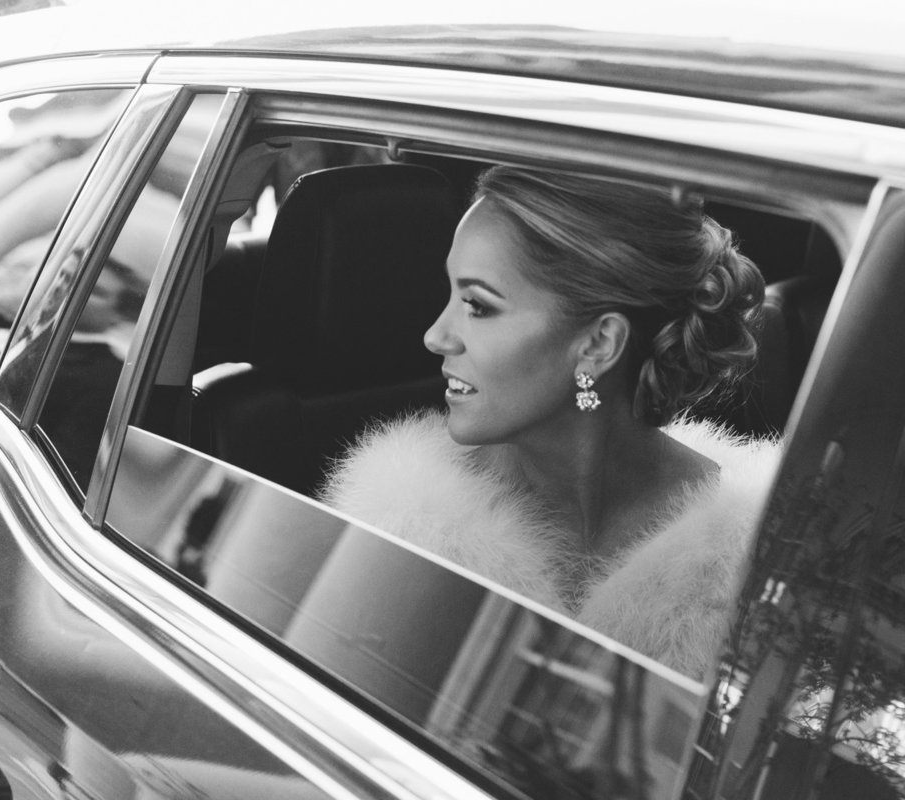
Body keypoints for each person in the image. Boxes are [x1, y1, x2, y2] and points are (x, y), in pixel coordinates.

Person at [322, 167, 780, 680]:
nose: (435, 335)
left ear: (598, 344)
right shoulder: (394, 528)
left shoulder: (758, 554)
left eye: (477, 305)